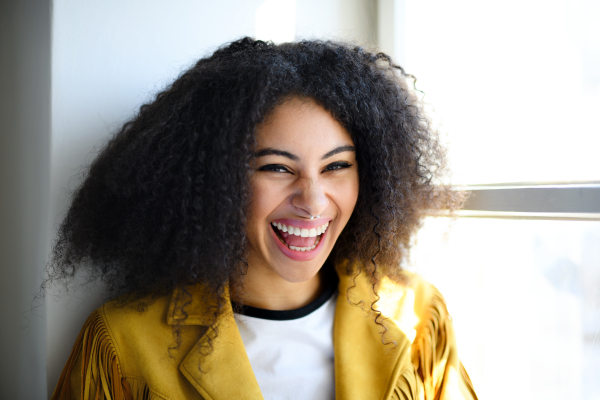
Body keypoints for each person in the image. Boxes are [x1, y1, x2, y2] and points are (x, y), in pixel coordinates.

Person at [49, 37, 477, 400]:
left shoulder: (418, 315)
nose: (312, 201)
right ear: (213, 180)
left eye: (336, 166)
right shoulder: (124, 344)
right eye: (276, 168)